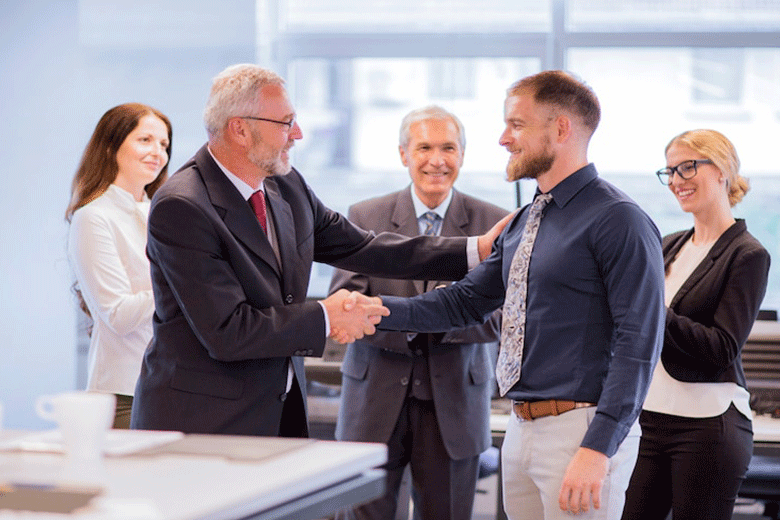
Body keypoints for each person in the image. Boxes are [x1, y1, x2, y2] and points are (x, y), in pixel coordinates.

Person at [129, 64, 508, 438]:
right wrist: (327, 317)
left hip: (277, 410)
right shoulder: (182, 206)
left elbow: (364, 247)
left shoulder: (285, 184)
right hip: (201, 425)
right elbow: (230, 331)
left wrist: (475, 249)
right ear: (240, 129)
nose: (298, 133)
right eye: (285, 122)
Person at [362, 70, 665, 519]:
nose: (504, 138)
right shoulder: (526, 219)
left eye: (516, 125)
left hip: (580, 432)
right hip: (522, 429)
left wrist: (598, 447)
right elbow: (463, 301)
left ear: (560, 128)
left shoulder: (619, 219)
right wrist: (373, 311)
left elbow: (639, 344)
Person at [330, 105, 509, 520]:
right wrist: (429, 312)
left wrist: (435, 315)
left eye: (448, 147)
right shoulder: (364, 217)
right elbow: (346, 304)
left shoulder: (493, 223)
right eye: (424, 147)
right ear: (403, 154)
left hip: (454, 407)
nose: (436, 160)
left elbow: (502, 317)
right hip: (373, 402)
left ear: (462, 155)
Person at [621, 130, 770, 520]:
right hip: (648, 419)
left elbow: (721, 347)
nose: (676, 180)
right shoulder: (667, 244)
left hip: (707, 427)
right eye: (669, 170)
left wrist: (653, 309)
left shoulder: (748, 254)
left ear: (722, 170)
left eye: (688, 166)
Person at [66, 103, 172, 428]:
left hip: (176, 387)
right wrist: (182, 279)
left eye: (164, 145)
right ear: (111, 145)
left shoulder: (165, 212)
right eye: (145, 140)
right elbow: (118, 316)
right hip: (125, 393)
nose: (158, 152)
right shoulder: (93, 217)